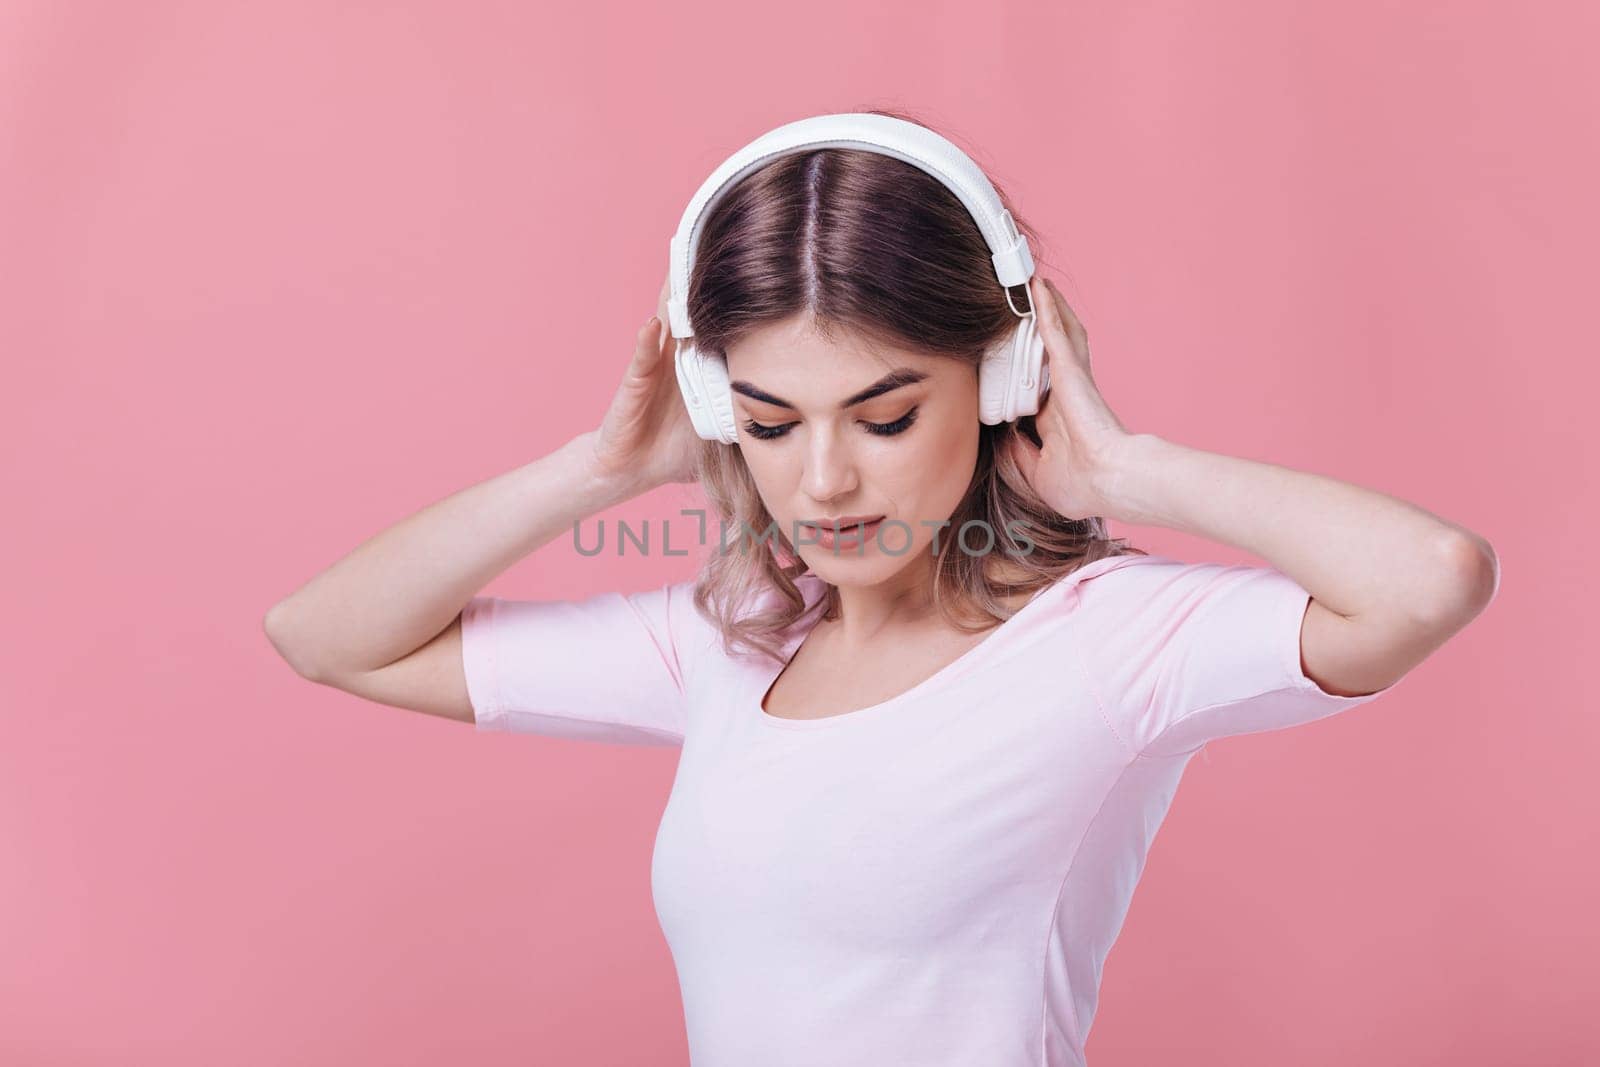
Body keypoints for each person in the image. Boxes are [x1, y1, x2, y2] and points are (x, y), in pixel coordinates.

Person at [264, 109, 1498, 1066]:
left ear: (1001, 376)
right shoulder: (723, 646)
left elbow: (1428, 579)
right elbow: (327, 636)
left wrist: (1128, 466)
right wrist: (600, 467)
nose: (826, 478)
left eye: (886, 413)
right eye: (767, 419)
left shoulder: (1109, 641)